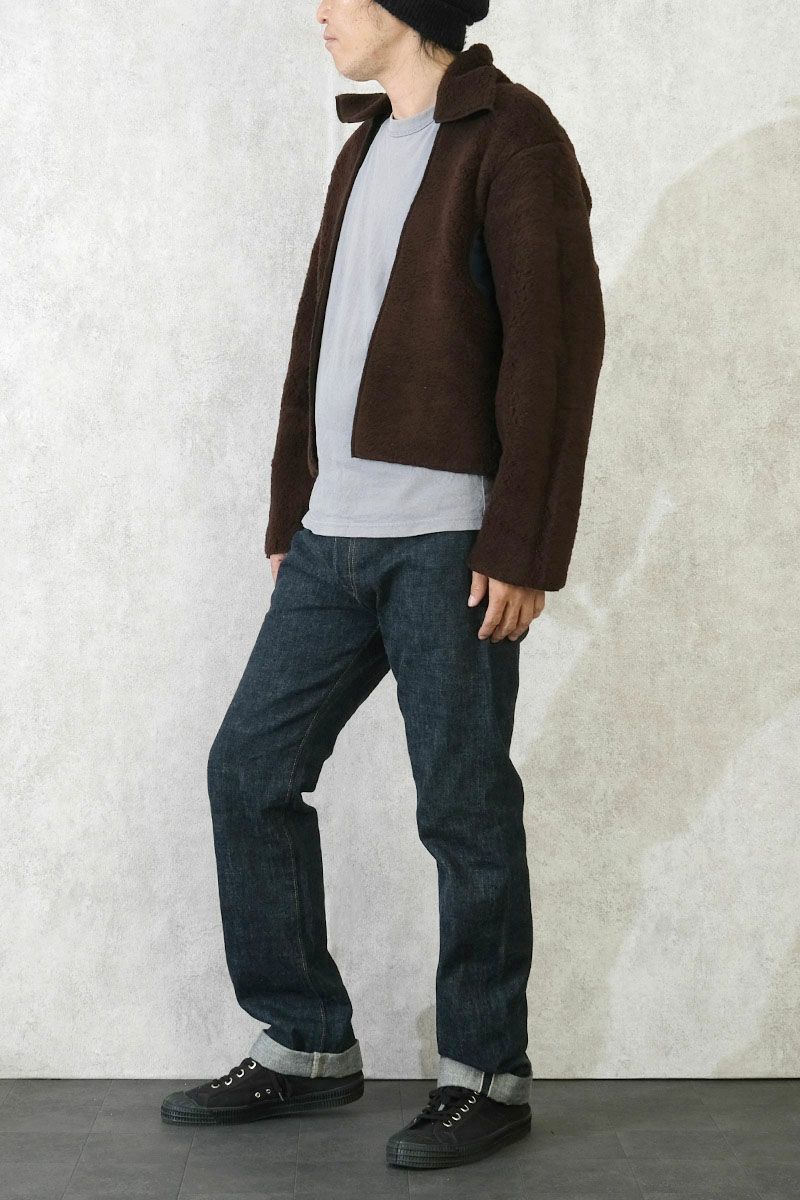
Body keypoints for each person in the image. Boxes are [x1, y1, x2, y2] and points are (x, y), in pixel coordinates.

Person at [161, 0, 605, 1171]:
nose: (319, 9)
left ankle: (484, 1073)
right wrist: (289, 506)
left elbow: (555, 348)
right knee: (249, 771)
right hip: (332, 537)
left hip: (447, 544)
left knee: (460, 806)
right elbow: (316, 337)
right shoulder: (363, 143)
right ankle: (307, 1041)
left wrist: (523, 544)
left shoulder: (513, 137)